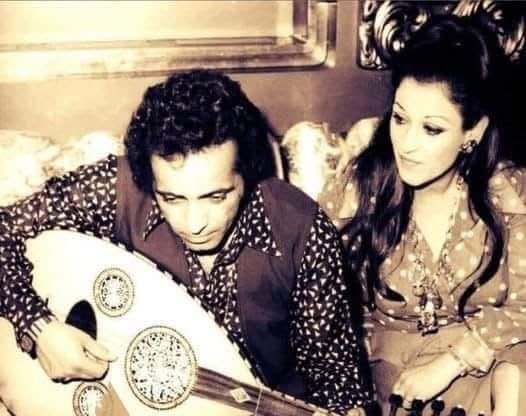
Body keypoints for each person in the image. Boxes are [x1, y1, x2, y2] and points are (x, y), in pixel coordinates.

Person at [0, 69, 374, 415]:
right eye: (172, 199)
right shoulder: (118, 190)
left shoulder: (301, 231)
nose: (194, 224)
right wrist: (39, 327)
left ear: (247, 172)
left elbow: (335, 379)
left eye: (216, 197)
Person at [315, 16, 526, 416]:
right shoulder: (359, 189)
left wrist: (454, 361)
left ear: (473, 132)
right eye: (400, 118)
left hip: (489, 365)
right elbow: (311, 289)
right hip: (397, 379)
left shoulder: (508, 193)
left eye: (431, 129)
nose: (407, 144)